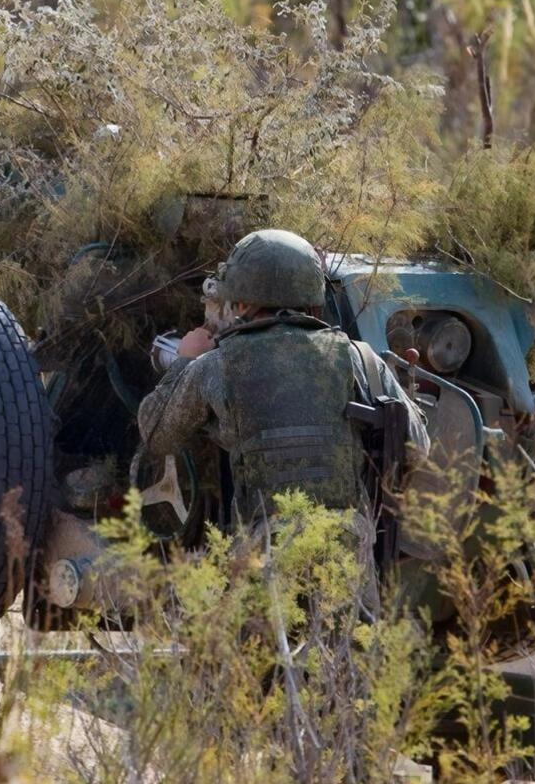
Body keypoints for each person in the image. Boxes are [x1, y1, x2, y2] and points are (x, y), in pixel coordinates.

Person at [137, 229, 428, 603]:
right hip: (345, 550)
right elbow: (417, 447)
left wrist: (184, 361)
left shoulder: (217, 364)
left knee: (257, 658)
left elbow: (156, 432)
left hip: (263, 555)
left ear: (240, 303)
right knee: (349, 655)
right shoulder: (360, 358)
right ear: (313, 297)